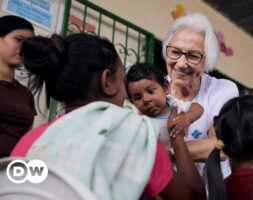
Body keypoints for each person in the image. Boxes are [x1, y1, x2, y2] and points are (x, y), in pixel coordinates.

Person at [11, 33, 205, 199]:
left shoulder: (29, 143)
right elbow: (193, 197)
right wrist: (177, 135)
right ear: (107, 82)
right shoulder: (132, 135)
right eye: (123, 83)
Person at [162, 12, 238, 177]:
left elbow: (220, 146)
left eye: (193, 56)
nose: (181, 64)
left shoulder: (222, 89)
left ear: (207, 61)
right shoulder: (154, 89)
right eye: (175, 52)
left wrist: (162, 153)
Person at [125, 63, 203, 148]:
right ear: (132, 102)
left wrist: (187, 118)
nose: (146, 100)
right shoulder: (139, 120)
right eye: (138, 98)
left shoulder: (174, 104)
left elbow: (198, 108)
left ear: (165, 87)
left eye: (150, 91)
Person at [0, 15, 35, 158]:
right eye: (18, 40)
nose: (23, 48)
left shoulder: (26, 94)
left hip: (13, 170)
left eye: (29, 44)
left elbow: (28, 139)